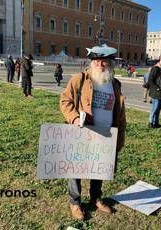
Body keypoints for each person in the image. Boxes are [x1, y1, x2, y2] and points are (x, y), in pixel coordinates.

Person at [60, 44, 126, 220]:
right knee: (76, 169)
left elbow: (120, 112)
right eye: (96, 61)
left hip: (105, 134)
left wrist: (119, 135)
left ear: (111, 63)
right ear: (91, 62)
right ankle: (75, 203)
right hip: (82, 134)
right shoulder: (79, 80)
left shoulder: (115, 84)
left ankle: (96, 198)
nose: (100, 64)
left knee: (99, 167)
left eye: (104, 61)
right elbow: (65, 101)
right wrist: (74, 118)